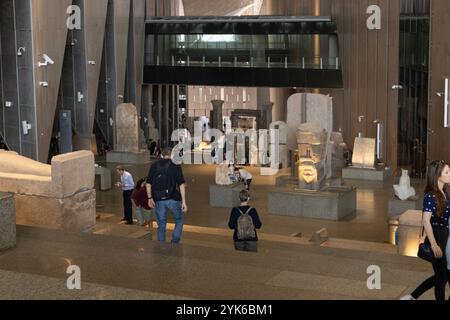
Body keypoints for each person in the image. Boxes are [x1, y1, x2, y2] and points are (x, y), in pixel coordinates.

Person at [401, 160, 450, 300]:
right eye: (447, 172)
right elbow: (426, 221)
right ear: (437, 176)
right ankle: (412, 296)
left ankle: (412, 296)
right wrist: (434, 244)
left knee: (441, 277)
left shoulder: (445, 192)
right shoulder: (431, 196)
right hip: (437, 236)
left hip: (445, 236)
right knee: (441, 278)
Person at [146, 147, 188, 244]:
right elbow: (181, 184)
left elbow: (148, 183)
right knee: (179, 219)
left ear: (161, 155)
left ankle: (161, 244)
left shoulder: (154, 166)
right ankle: (175, 241)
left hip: (159, 199)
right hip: (173, 198)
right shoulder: (176, 165)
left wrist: (149, 198)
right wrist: (184, 202)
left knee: (161, 224)